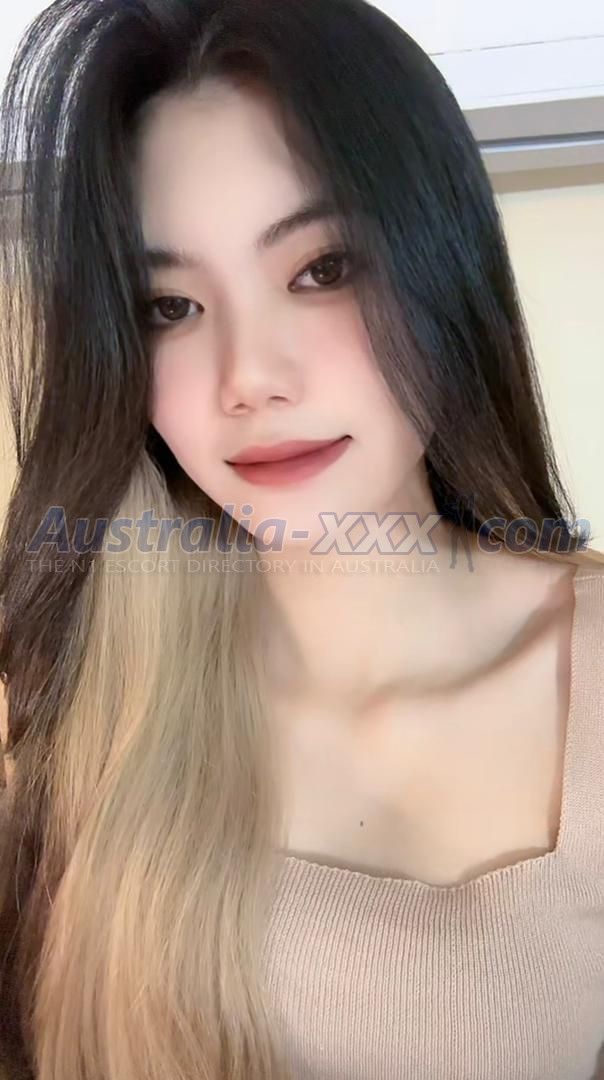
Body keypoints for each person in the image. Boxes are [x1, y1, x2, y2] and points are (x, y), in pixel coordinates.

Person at [0, 1, 602, 1078]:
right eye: (168, 307)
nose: (249, 379)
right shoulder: (71, 695)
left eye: (322, 268)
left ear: (441, 263)